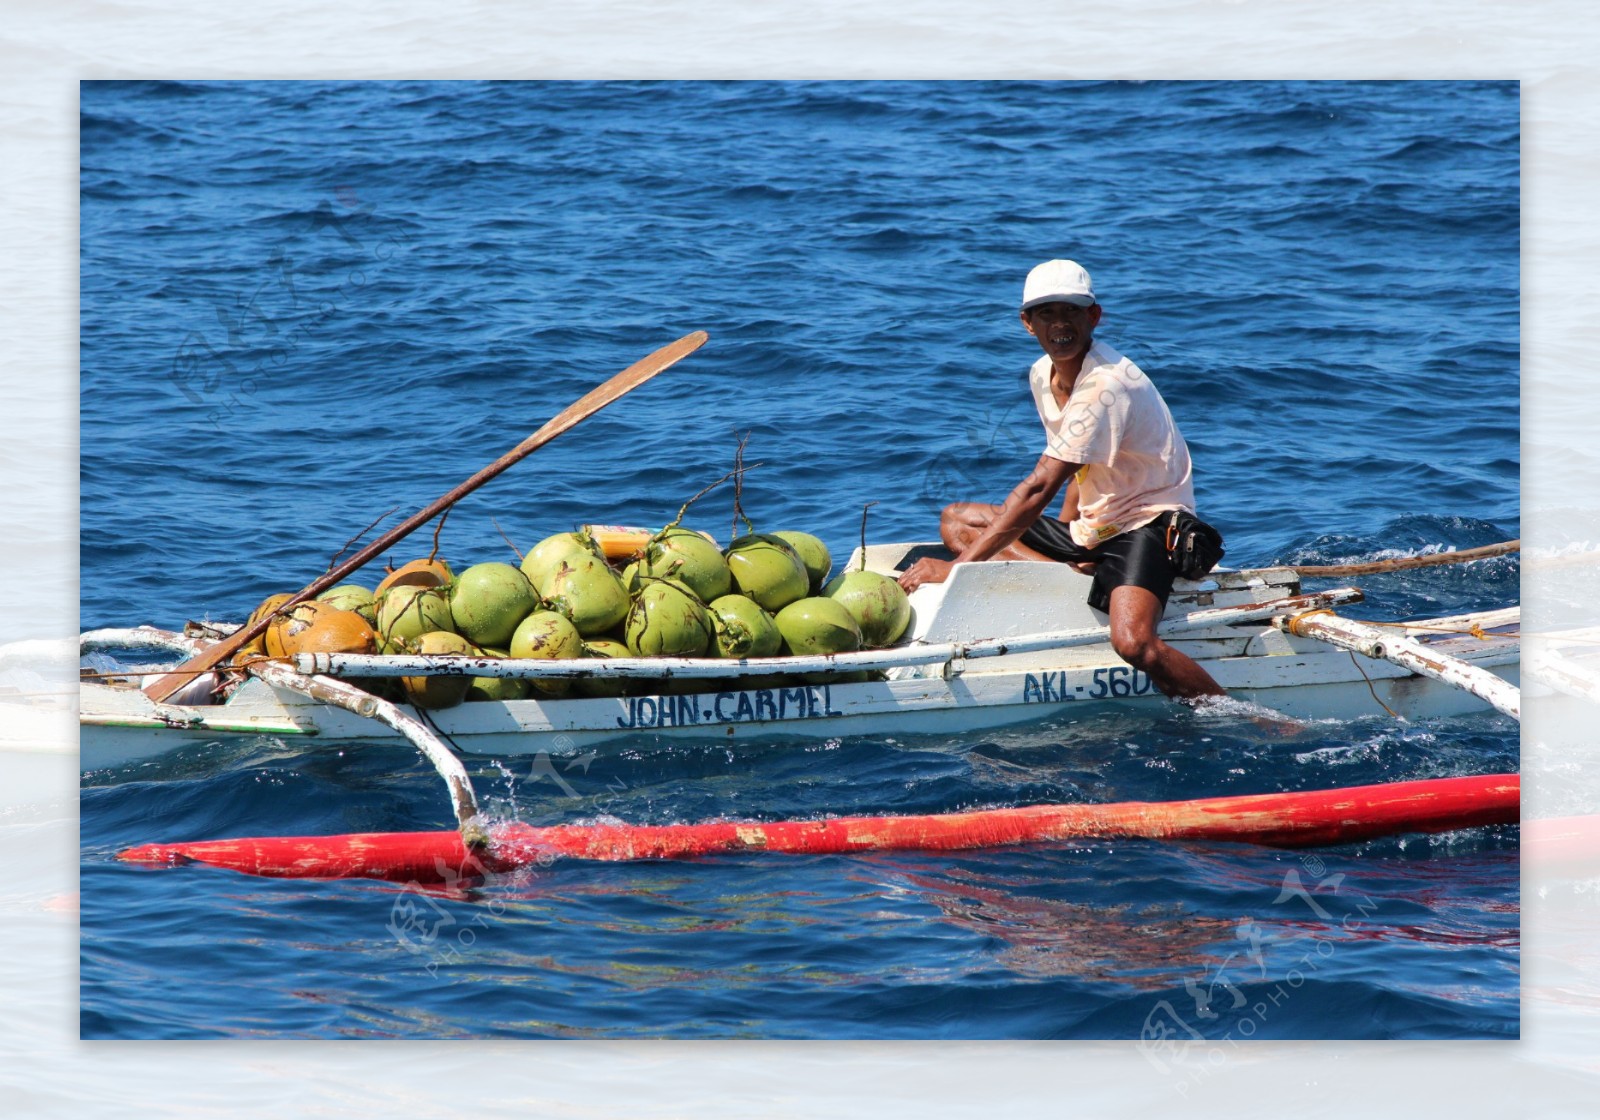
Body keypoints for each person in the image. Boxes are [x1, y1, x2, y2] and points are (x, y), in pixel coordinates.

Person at [897, 259, 1227, 703]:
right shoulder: (1042, 374)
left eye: (1071, 312)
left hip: (1145, 525)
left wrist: (956, 571)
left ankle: (1235, 713)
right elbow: (1079, 466)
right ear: (1027, 323)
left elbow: (1039, 487)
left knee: (1134, 644)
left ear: (1093, 316)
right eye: (1046, 313)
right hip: (1096, 526)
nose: (1060, 324)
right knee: (957, 520)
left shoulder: (1104, 385)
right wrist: (1072, 537)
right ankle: (1075, 577)